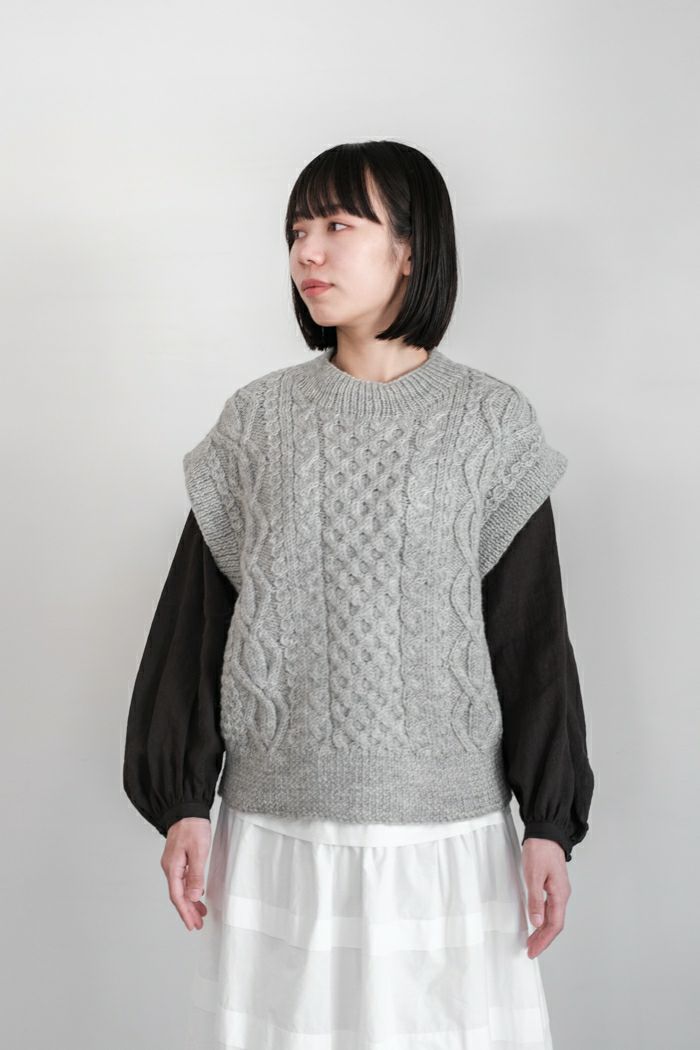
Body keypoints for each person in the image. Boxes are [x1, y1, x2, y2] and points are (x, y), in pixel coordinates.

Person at [123, 139, 594, 1048]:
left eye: (338, 226)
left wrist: (549, 821)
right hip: (279, 832)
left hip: (444, 836)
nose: (308, 252)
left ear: (410, 248)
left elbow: (532, 636)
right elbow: (198, 621)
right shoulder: (258, 421)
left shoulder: (491, 424)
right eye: (297, 231)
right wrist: (183, 800)